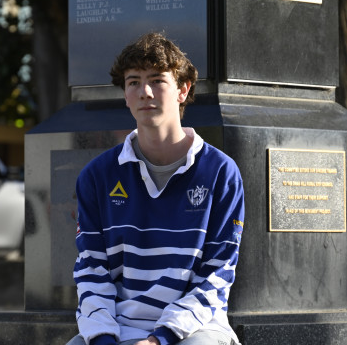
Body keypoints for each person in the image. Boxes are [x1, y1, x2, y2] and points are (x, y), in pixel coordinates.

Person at [67, 32, 245, 345]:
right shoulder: (96, 176)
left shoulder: (220, 172)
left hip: (195, 329)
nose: (144, 92)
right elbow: (92, 271)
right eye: (133, 82)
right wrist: (103, 338)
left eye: (157, 80)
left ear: (183, 90)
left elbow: (216, 275)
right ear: (125, 94)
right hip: (119, 328)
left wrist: (158, 340)